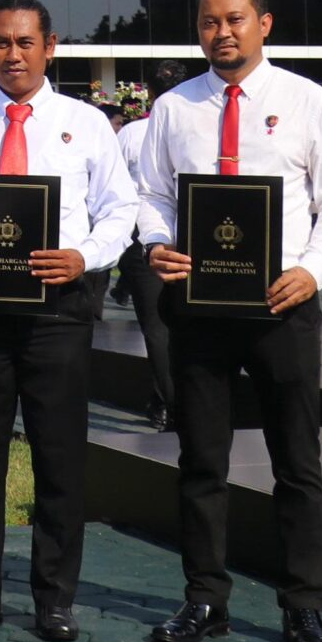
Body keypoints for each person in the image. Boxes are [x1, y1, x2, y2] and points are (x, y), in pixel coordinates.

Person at [138, 0, 322, 642]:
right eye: (209, 22)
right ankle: (205, 596)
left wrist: (313, 269)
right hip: (200, 308)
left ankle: (304, 606)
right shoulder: (174, 108)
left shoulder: (306, 101)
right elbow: (149, 193)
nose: (222, 32)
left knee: (296, 460)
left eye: (235, 19)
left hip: (281, 307)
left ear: (264, 23)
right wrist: (156, 242)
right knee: (200, 458)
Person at [0, 0, 134, 642]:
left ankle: (54, 597)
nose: (12, 54)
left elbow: (119, 210)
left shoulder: (87, 122)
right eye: (0, 42)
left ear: (50, 46)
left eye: (24, 42)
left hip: (58, 311)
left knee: (60, 457)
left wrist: (84, 257)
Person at [112, 62, 189, 432]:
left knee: (157, 329)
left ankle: (168, 403)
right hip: (180, 237)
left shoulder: (131, 133)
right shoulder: (194, 124)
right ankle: (168, 399)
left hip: (145, 239)